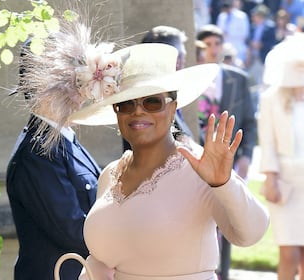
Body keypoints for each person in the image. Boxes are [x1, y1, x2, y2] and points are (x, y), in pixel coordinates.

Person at [66, 43, 269, 280]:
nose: (138, 112)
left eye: (152, 102)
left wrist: (223, 183)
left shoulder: (199, 168)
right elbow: (100, 264)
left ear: (173, 109)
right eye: (126, 104)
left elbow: (251, 234)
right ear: (117, 112)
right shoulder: (110, 175)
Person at [6, 17, 102, 280]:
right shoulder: (38, 151)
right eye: (72, 74)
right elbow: (73, 230)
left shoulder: (65, 140)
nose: (81, 84)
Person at [196, 24, 258, 280]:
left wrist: (245, 157)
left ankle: (224, 272)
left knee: (230, 216)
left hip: (228, 159)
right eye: (208, 44)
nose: (213, 49)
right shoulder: (191, 79)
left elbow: (249, 122)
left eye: (217, 44)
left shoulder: (238, 78)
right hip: (196, 160)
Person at [258, 33, 304, 280]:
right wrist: (270, 178)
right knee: (289, 254)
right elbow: (267, 142)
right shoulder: (271, 99)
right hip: (286, 183)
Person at [121, 25, 194, 153]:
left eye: (182, 57)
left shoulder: (167, 97)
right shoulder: (146, 104)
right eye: (179, 57)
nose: (181, 63)